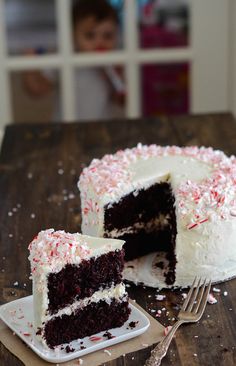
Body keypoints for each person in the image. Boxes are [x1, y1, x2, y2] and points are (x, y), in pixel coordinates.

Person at [23, 0, 125, 121]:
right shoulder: (65, 60)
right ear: (73, 37)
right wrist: (29, 66)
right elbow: (38, 90)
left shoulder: (112, 65)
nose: (100, 42)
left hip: (101, 128)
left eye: (108, 36)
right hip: (65, 127)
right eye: (90, 35)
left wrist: (116, 77)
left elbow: (121, 101)